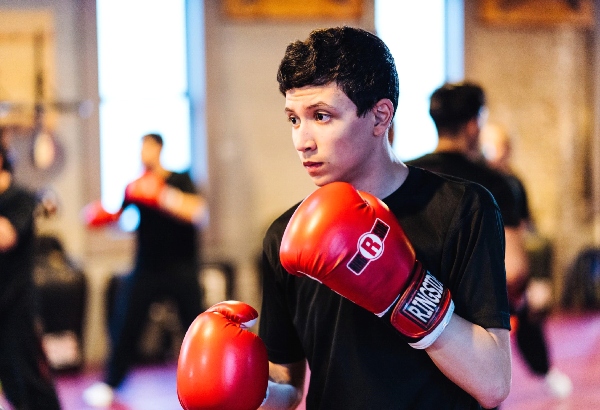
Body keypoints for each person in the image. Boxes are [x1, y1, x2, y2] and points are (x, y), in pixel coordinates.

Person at [255, 27, 511, 409]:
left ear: (380, 116)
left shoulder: (462, 209)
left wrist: (405, 294)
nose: (302, 141)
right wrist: (245, 392)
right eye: (294, 119)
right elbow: (288, 384)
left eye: (321, 116)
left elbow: (493, 382)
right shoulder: (285, 235)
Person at [83, 133, 207, 407]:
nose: (144, 153)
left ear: (160, 149)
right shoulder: (135, 186)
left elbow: (198, 213)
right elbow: (119, 217)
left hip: (182, 267)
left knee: (195, 328)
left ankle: (206, 381)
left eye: (148, 148)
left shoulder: (180, 179)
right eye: (141, 148)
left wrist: (163, 196)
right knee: (125, 322)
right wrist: (102, 216)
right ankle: (111, 382)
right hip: (147, 267)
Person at [480, 123, 572, 398]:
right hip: (483, 267)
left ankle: (545, 371)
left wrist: (535, 277)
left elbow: (526, 228)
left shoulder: (513, 184)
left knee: (527, 323)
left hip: (512, 268)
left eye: (499, 146)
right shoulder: (475, 180)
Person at [0, 141, 62, 409]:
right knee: (11, 385)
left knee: (29, 381)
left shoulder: (20, 198)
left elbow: (5, 237)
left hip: (17, 307)